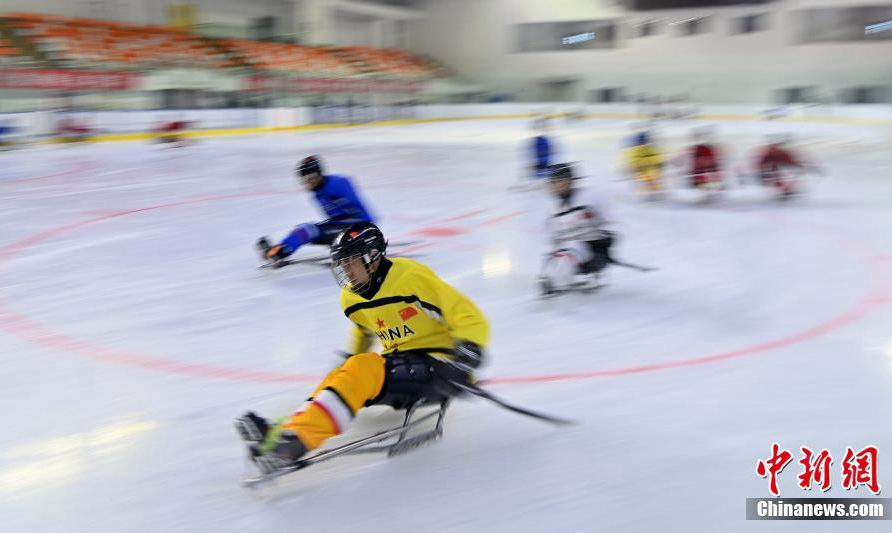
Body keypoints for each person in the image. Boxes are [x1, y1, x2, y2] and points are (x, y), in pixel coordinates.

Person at [237, 222, 491, 474]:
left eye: (351, 262)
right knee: (343, 371)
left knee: (362, 366)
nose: (346, 271)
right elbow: (364, 329)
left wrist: (466, 358)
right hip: (401, 366)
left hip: (440, 368)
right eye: (342, 264)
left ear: (372, 257)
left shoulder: (410, 277)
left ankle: (291, 447)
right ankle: (285, 433)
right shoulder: (351, 298)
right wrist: (349, 362)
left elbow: (466, 314)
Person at [258, 155, 377, 264]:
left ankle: (280, 252)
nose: (308, 182)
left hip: (360, 227)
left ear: (319, 174)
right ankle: (281, 248)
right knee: (302, 229)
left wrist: (362, 235)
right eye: (305, 180)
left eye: (311, 178)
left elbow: (358, 211)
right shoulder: (317, 191)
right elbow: (336, 218)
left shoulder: (337, 183)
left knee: (308, 230)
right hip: (346, 225)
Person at [539, 163, 619, 295]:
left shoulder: (590, 196)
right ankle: (560, 279)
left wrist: (608, 238)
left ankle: (575, 276)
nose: (558, 186)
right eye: (554, 183)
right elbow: (552, 239)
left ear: (571, 181)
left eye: (562, 182)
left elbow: (613, 220)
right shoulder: (552, 210)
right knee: (556, 257)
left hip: (595, 249)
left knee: (573, 248)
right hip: (571, 251)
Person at [754, 135, 815, 199]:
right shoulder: (775, 151)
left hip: (770, 167)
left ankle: (784, 190)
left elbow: (786, 160)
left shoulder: (775, 150)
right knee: (777, 176)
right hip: (769, 168)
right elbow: (786, 159)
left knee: (778, 176)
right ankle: (784, 190)